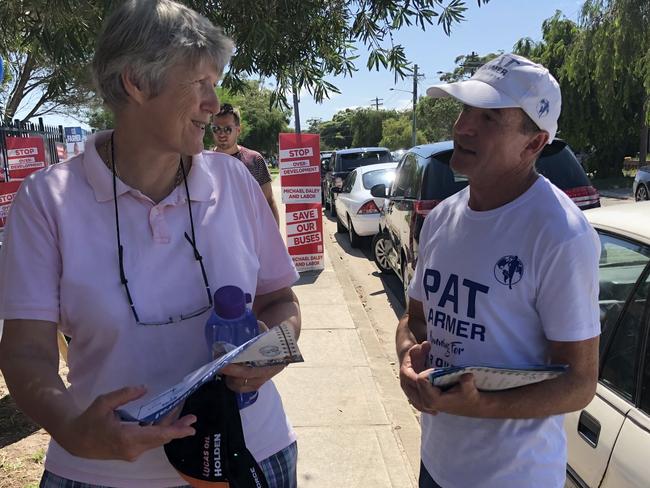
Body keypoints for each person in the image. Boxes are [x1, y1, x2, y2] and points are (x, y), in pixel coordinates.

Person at [0, 1, 301, 487]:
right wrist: (74, 431)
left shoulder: (235, 182)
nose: (214, 102)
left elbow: (280, 300)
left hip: (249, 453)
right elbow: (25, 352)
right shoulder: (47, 200)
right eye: (200, 82)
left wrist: (274, 352)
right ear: (137, 82)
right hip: (101, 474)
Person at [396, 53, 600, 488]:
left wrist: (480, 406)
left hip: (514, 477)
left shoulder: (560, 234)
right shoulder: (441, 218)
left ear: (533, 144)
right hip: (436, 464)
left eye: (489, 118)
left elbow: (580, 384)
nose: (462, 126)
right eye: (466, 110)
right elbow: (414, 319)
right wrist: (406, 362)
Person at [210, 103, 280, 224]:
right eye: (216, 129)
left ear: (238, 130)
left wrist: (273, 239)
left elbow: (268, 202)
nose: (221, 134)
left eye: (227, 129)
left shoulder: (255, 160)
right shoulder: (203, 163)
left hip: (250, 237)